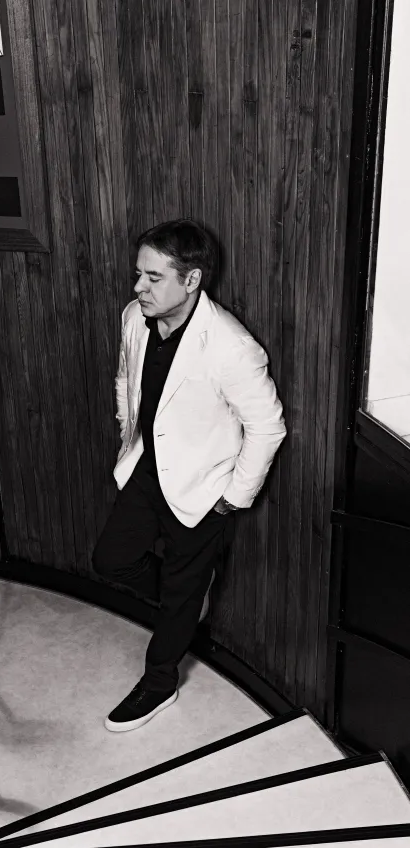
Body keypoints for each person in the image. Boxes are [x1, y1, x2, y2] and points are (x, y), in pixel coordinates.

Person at [92, 219, 287, 732]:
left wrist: (233, 498)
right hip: (145, 471)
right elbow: (125, 380)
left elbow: (267, 427)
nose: (139, 287)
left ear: (192, 280)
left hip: (204, 490)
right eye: (139, 274)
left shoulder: (231, 347)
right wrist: (128, 436)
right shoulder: (135, 317)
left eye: (154, 277)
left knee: (179, 598)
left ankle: (159, 684)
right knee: (111, 561)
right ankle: (188, 600)